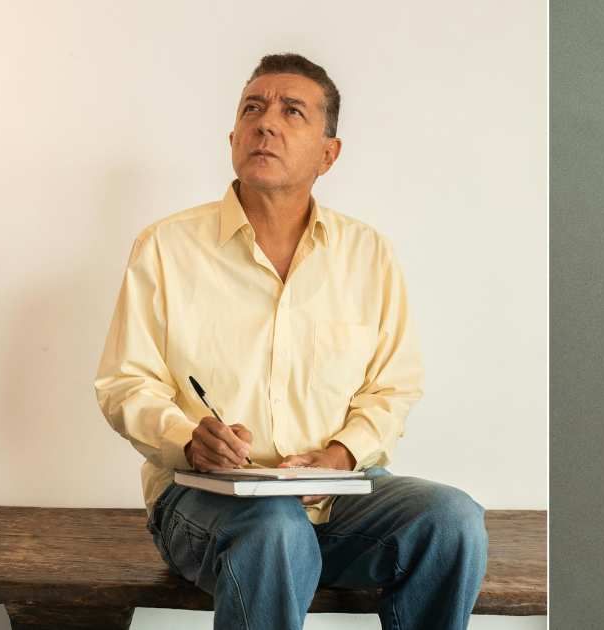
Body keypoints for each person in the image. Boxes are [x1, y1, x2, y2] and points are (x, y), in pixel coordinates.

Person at [94, 53, 487, 630]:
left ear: (329, 153)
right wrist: (188, 439)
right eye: (252, 109)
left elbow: (394, 387)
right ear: (232, 138)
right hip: (205, 500)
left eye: (292, 112)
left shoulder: (368, 254)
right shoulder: (166, 247)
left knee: (452, 519)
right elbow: (125, 383)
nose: (266, 124)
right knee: (274, 528)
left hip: (338, 500)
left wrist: (342, 454)